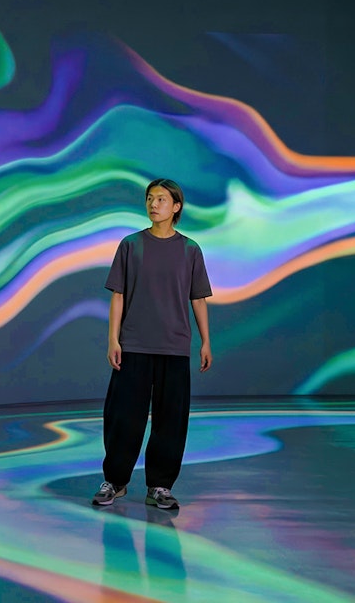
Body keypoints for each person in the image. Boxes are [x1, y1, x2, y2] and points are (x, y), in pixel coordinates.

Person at [92, 178, 212, 510]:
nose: (153, 203)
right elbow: (118, 295)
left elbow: (198, 298)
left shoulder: (190, 250)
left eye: (161, 199)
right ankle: (114, 482)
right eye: (149, 198)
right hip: (134, 345)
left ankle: (160, 486)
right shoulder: (131, 245)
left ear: (176, 207)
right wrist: (113, 338)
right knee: (123, 416)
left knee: (170, 420)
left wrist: (205, 341)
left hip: (174, 346)